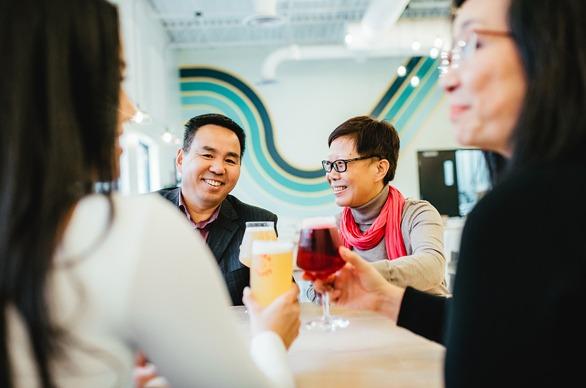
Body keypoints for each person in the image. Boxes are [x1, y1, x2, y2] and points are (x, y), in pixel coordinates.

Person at [0, 1, 300, 387]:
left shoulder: (255, 221)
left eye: (232, 159)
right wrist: (271, 338)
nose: (128, 110)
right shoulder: (133, 225)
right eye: (115, 80)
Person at [314, 0, 586, 387]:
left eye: (473, 44)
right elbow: (501, 329)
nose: (447, 80)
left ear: (550, 48)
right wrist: (380, 298)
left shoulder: (512, 214)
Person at [157, 114, 278, 305]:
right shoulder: (145, 212)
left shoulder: (257, 222)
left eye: (230, 160)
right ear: (181, 160)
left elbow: (279, 296)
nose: (218, 168)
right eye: (207, 155)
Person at [323, 116, 448, 295]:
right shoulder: (336, 227)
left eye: (341, 164)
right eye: (329, 165)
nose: (331, 174)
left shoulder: (417, 214)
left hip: (420, 319)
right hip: (363, 321)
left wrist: (357, 275)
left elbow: (432, 266)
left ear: (380, 169)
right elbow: (318, 290)